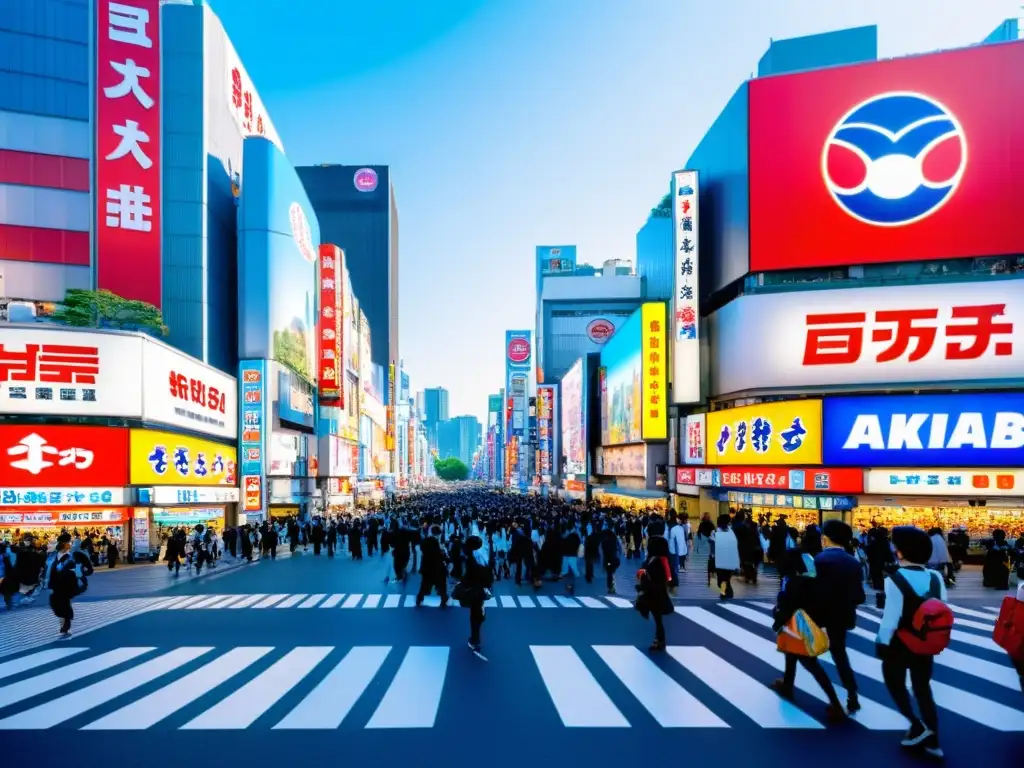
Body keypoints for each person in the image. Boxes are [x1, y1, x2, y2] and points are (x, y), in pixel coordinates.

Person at [876, 525, 946, 760]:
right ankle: (934, 738)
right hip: (926, 643)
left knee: (895, 683)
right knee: (923, 688)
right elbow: (941, 606)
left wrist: (881, 641)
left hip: (899, 643)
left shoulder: (894, 579)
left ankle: (916, 725)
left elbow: (891, 617)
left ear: (901, 552)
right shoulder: (936, 577)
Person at [770, 549, 846, 721]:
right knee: (791, 655)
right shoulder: (815, 581)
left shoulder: (792, 583)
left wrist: (777, 616)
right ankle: (787, 685)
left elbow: (785, 607)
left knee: (811, 664)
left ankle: (836, 704)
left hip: (798, 628)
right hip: (812, 624)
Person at [814, 519, 866, 714]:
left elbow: (812, 590)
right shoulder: (853, 563)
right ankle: (852, 694)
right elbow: (859, 596)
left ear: (825, 539)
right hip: (842, 617)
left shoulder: (818, 560)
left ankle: (833, 700)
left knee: (804, 657)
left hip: (818, 616)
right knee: (840, 655)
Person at [44, 532, 93, 638]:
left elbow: (89, 570)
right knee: (55, 603)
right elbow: (47, 569)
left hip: (68, 584)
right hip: (56, 584)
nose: (69, 544)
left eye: (69, 542)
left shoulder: (75, 556)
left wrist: (79, 572)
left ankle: (65, 624)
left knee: (64, 603)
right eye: (67, 542)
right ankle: (65, 620)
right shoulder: (52, 556)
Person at [457, 534, 493, 657]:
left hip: (474, 591)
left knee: (474, 616)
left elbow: (468, 578)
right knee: (477, 614)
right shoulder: (483, 556)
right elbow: (489, 576)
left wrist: (462, 583)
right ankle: (475, 637)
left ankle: (475, 640)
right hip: (481, 590)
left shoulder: (471, 560)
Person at [636, 536, 674, 651]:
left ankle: (659, 641)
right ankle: (659, 640)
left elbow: (651, 577)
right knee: (657, 619)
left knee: (657, 620)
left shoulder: (654, 561)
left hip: (654, 594)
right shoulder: (664, 560)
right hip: (658, 593)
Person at [416, 525, 449, 607]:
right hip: (437, 568)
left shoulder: (425, 541)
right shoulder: (435, 543)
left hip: (427, 568)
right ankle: (443, 600)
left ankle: (419, 599)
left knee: (425, 585)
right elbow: (438, 555)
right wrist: (444, 555)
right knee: (441, 585)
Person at [712, 514, 739, 600]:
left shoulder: (728, 532)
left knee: (724, 579)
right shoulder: (726, 532)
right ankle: (725, 593)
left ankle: (726, 594)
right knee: (723, 580)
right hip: (723, 559)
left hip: (725, 559)